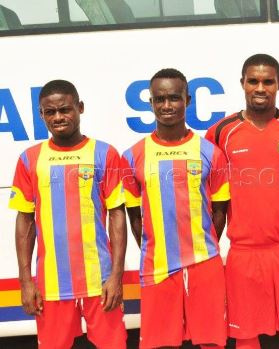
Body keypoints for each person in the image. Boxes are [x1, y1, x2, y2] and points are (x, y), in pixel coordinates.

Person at [205, 54, 279, 349]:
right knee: (245, 338)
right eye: (253, 81)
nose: (260, 88)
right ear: (242, 84)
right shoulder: (220, 133)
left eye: (268, 81)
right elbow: (210, 194)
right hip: (245, 252)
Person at [8, 79, 127, 349]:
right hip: (51, 283)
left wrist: (116, 275)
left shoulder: (104, 153)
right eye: (50, 112)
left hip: (101, 280)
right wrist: (26, 281)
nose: (58, 117)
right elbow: (24, 219)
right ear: (41, 115)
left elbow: (117, 215)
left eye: (65, 109)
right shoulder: (30, 159)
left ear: (80, 108)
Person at [121, 68, 229, 349]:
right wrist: (155, 248)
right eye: (159, 99)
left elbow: (219, 211)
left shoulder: (210, 152)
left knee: (211, 342)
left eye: (174, 98)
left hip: (205, 263)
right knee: (161, 344)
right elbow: (134, 217)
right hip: (157, 266)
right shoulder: (132, 156)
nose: (166, 105)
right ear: (151, 103)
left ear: (188, 100)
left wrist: (201, 247)